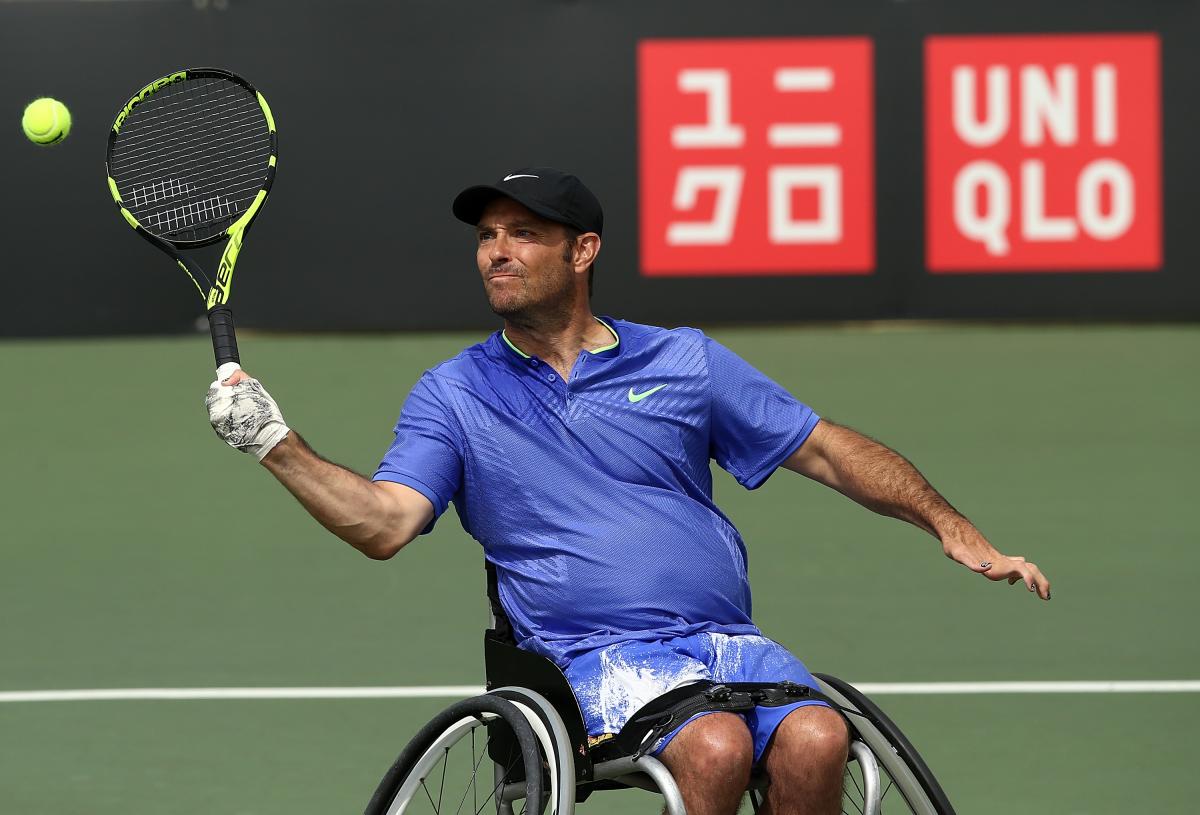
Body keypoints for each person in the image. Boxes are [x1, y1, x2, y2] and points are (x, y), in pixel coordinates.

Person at [206, 167, 1051, 815]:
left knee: (819, 737)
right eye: (487, 235)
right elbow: (385, 522)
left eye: (524, 233)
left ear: (583, 251)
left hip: (728, 643)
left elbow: (826, 449)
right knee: (715, 747)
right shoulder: (454, 393)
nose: (496, 250)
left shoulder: (682, 360)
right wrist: (273, 442)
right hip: (589, 658)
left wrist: (947, 521)